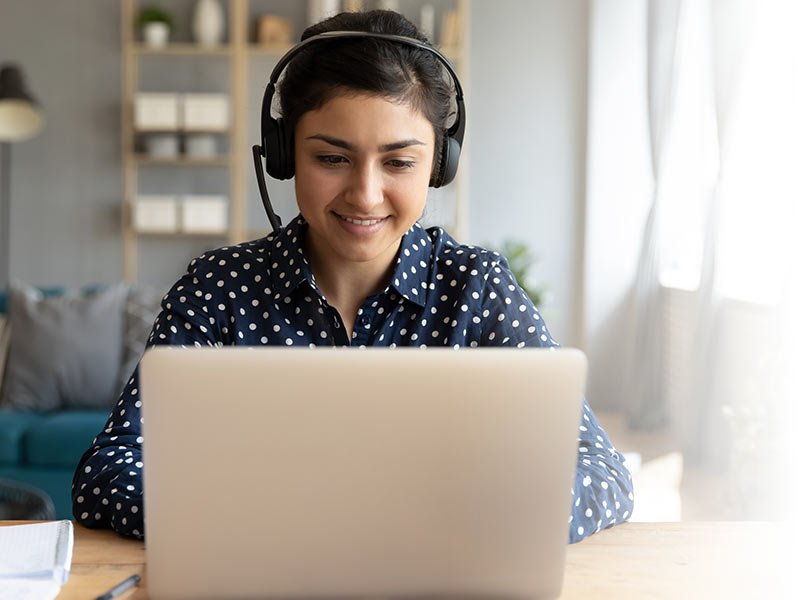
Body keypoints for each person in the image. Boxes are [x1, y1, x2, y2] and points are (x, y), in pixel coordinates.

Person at [73, 9, 633, 544]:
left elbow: (599, 468)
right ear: (284, 153)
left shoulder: (476, 291)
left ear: (440, 164)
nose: (366, 195)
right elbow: (108, 472)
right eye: (332, 158)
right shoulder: (217, 290)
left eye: (399, 162)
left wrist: (475, 518)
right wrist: (286, 522)